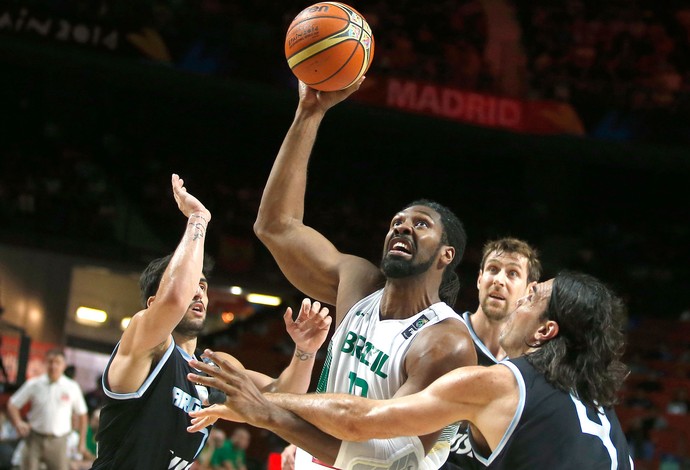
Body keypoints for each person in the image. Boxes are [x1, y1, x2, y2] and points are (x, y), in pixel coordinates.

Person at [216, 78, 477, 470]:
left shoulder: (447, 344)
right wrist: (309, 113)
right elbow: (276, 225)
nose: (402, 227)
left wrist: (266, 407)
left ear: (446, 255)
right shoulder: (358, 283)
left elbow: (393, 459)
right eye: (397, 222)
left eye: (420, 224)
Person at [189, 271, 634, 469]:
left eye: (532, 297)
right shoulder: (604, 417)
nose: (518, 302)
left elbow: (361, 421)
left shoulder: (501, 384)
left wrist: (261, 404)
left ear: (546, 331)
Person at [91, 174, 331, 469]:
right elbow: (174, 299)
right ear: (153, 303)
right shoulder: (144, 341)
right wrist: (198, 218)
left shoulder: (213, 369)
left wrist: (304, 351)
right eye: (191, 283)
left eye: (203, 287)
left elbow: (284, 398)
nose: (198, 293)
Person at [444, 237, 541, 469]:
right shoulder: (443, 336)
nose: (499, 280)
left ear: (530, 291)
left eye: (512, 273)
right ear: (480, 279)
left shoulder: (532, 366)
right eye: (493, 270)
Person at [6, 349, 88, 470]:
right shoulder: (34, 384)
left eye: (57, 362)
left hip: (59, 440)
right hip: (34, 437)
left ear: (63, 365)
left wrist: (81, 442)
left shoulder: (72, 387)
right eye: (50, 362)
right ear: (45, 363)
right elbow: (12, 404)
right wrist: (18, 422)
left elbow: (83, 415)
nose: (53, 366)